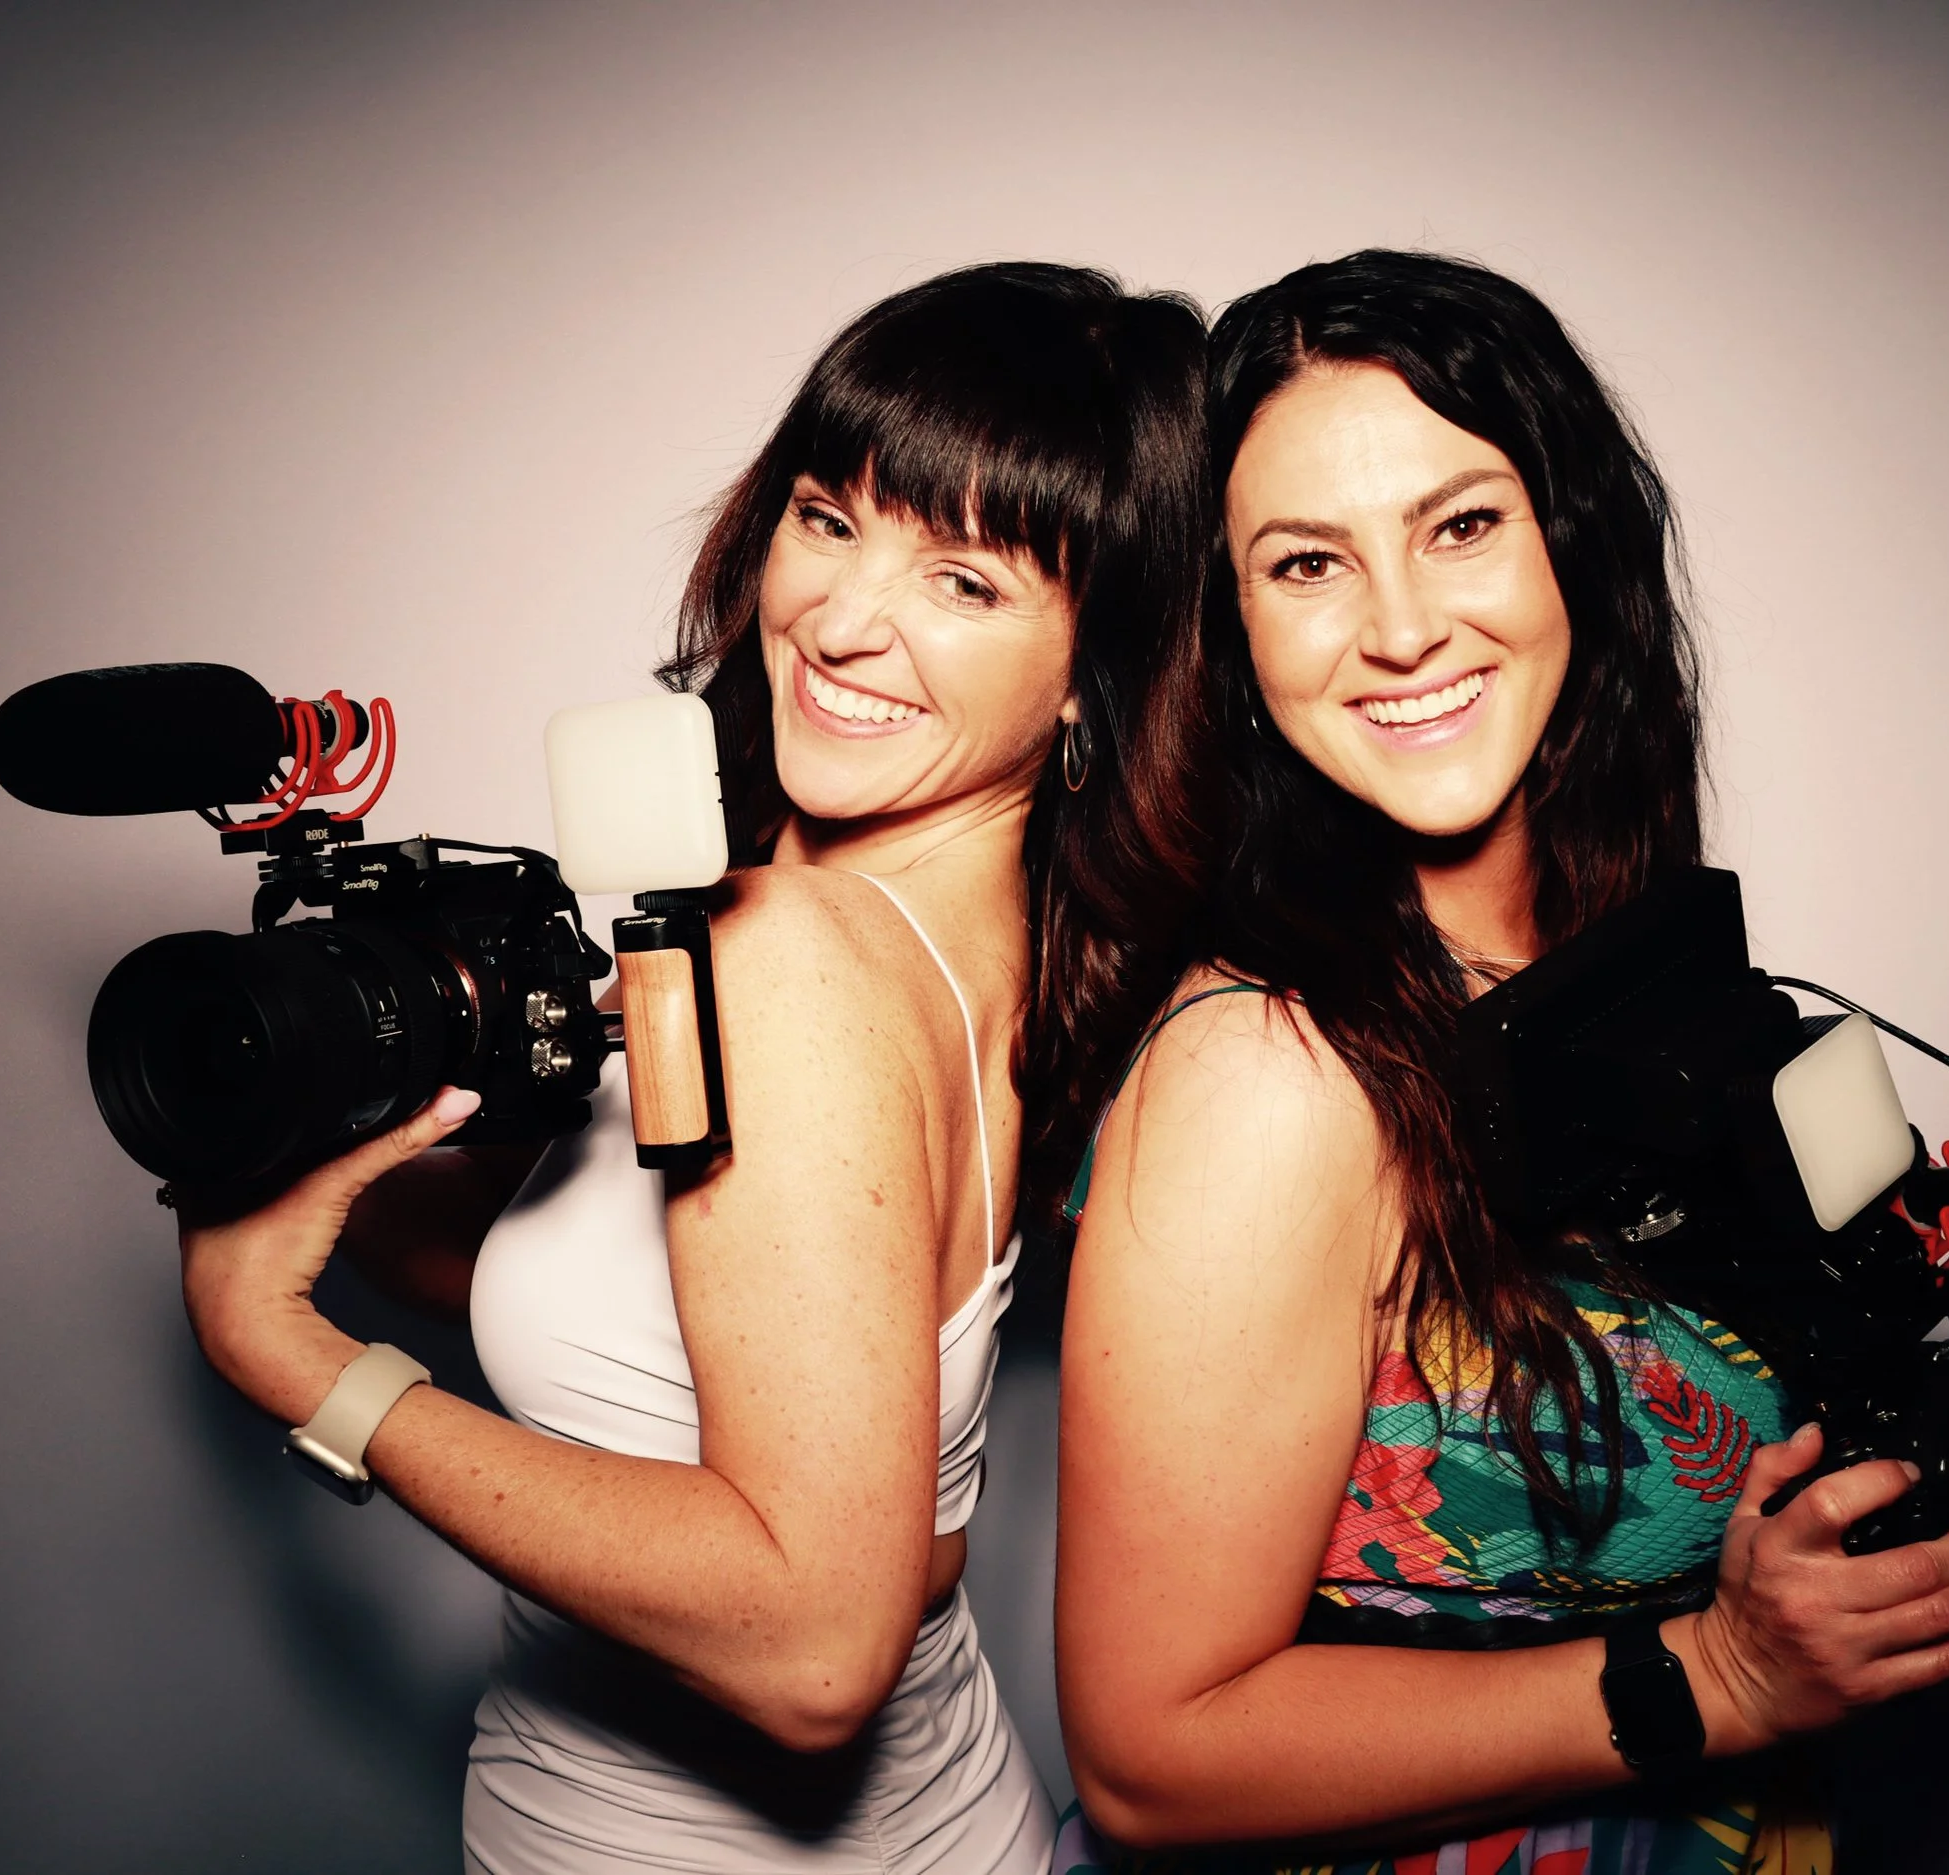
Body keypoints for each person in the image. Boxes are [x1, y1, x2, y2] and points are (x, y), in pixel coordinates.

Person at [1047, 249, 1949, 1874]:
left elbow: (1837, 1319)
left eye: (1460, 522)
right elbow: (1148, 1758)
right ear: (1230, 628)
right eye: (1307, 562)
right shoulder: (1271, 1074)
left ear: (1574, 547)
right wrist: (1723, 1674)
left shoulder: (1632, 961)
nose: (1403, 628)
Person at [170, 260, 1208, 1872]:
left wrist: (299, 1361)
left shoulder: (797, 955)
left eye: (969, 582)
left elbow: (812, 1649)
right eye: (829, 515)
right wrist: (324, 1125)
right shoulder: (995, 941)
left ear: (1097, 667)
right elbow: (669, 1333)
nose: (845, 621)